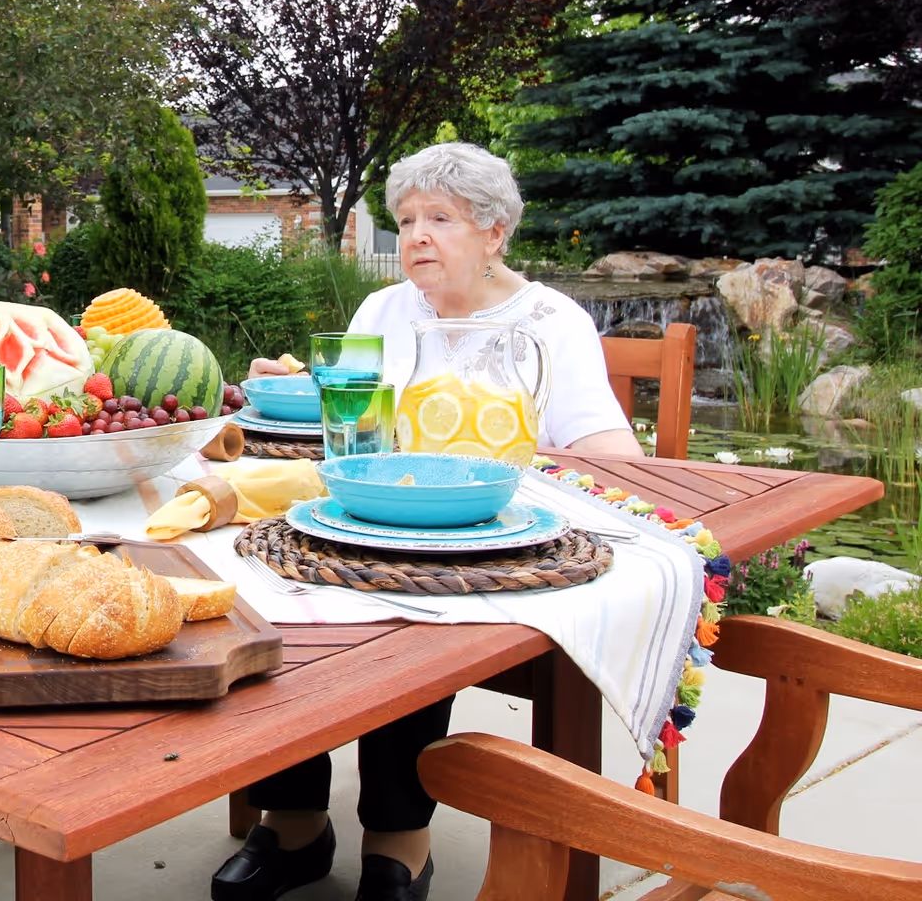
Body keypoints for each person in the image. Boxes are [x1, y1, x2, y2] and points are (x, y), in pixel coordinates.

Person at [215, 142, 641, 901]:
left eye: (440, 218)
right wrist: (288, 389)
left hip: (494, 543)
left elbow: (611, 457)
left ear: (495, 232)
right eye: (407, 218)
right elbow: (345, 418)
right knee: (269, 584)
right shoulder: (385, 309)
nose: (415, 235)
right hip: (368, 522)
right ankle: (295, 822)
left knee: (415, 617)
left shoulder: (551, 322)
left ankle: (400, 839)